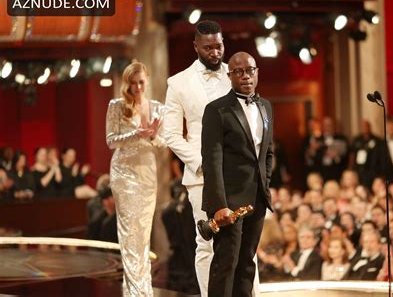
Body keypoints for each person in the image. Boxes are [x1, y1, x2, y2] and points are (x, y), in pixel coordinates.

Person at [163, 20, 232, 296]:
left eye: (219, 46)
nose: (215, 53)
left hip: (237, 174)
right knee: (206, 243)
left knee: (245, 243)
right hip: (202, 177)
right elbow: (171, 134)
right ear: (196, 46)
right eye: (208, 48)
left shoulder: (236, 73)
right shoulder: (178, 83)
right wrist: (202, 163)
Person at [201, 52, 273, 297]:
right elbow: (212, 162)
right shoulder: (216, 110)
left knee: (247, 264)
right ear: (229, 75)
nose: (246, 76)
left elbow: (267, 153)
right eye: (239, 72)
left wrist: (266, 187)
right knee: (226, 264)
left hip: (257, 199)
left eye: (250, 70)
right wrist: (219, 205)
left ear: (257, 72)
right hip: (229, 202)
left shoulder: (266, 107)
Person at [106, 61, 165, 296]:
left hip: (147, 175)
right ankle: (136, 291)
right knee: (130, 234)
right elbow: (110, 140)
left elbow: (164, 143)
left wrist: (151, 136)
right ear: (127, 84)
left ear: (147, 80)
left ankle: (142, 290)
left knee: (143, 234)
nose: (138, 87)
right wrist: (136, 134)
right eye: (134, 83)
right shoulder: (117, 106)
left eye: (142, 82)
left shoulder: (158, 107)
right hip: (124, 174)